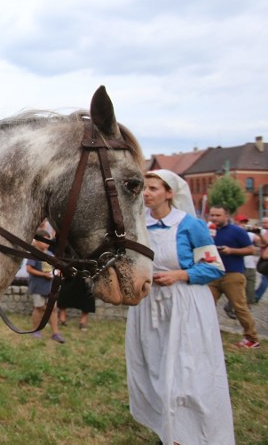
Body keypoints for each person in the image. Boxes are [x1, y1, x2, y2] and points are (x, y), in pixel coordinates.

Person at [126, 169, 234, 445]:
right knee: (154, 368)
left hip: (185, 305)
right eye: (144, 188)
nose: (146, 194)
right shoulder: (139, 224)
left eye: (153, 188)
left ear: (170, 193)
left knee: (187, 371)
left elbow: (214, 267)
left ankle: (191, 434)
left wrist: (180, 275)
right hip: (149, 305)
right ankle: (166, 428)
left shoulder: (190, 226)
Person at [208, 205, 259, 348]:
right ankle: (207, 334)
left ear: (226, 216)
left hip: (233, 274)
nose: (214, 218)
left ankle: (252, 338)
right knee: (206, 305)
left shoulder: (237, 231)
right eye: (212, 215)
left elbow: (250, 249)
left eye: (218, 215)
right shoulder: (208, 231)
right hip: (212, 274)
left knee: (239, 307)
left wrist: (231, 251)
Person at [25, 229, 64, 343]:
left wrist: (57, 273)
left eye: (48, 241)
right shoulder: (34, 254)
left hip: (50, 287)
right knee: (39, 308)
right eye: (44, 241)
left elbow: (54, 269)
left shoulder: (50, 254)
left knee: (53, 309)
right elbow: (29, 269)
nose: (47, 244)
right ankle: (35, 330)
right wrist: (43, 274)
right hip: (37, 287)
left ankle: (55, 333)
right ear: (36, 241)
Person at [254, 216, 268, 303]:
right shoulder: (265, 232)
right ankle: (256, 295)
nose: (264, 224)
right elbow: (262, 244)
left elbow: (266, 243)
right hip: (264, 258)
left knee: (265, 279)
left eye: (266, 223)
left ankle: (256, 296)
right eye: (263, 222)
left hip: (266, 258)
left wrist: (259, 234)